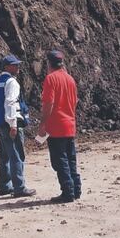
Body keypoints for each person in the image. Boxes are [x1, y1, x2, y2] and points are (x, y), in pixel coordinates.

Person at [36, 49, 81, 204]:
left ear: (49, 63)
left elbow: (49, 103)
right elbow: (75, 102)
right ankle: (76, 189)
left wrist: (43, 123)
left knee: (59, 161)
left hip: (56, 127)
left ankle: (67, 191)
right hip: (70, 125)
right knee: (71, 159)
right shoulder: (70, 79)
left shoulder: (51, 79)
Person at [0, 54, 35, 197]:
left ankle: (5, 186)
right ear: (6, 67)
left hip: (0, 122)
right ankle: (20, 187)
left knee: (5, 155)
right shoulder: (11, 82)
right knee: (17, 154)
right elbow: (10, 103)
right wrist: (13, 125)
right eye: (14, 65)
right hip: (10, 122)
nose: (17, 67)